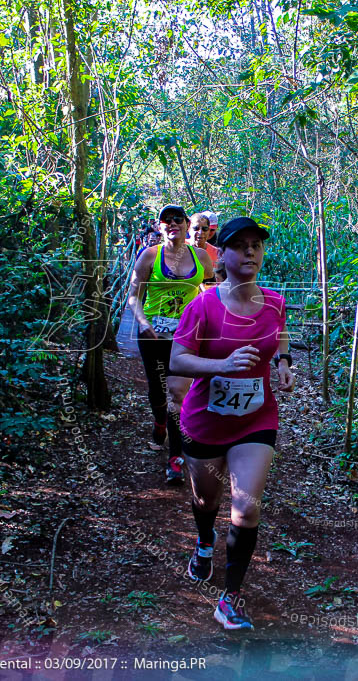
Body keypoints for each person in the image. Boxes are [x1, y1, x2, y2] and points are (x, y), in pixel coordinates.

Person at [169, 216, 294, 631]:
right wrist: (221, 364)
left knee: (245, 508)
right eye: (239, 246)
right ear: (221, 254)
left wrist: (284, 364)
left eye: (256, 245)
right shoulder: (202, 305)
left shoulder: (275, 303)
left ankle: (230, 596)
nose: (250, 253)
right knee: (207, 503)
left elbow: (280, 337)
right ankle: (205, 542)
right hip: (205, 422)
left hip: (256, 420)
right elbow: (178, 360)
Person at [126, 204, 214, 485]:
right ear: (159, 225)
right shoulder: (149, 256)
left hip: (185, 336)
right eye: (166, 220)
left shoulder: (201, 257)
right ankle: (159, 424)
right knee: (157, 390)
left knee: (178, 395)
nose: (172, 223)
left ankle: (175, 458)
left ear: (187, 224)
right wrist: (142, 322)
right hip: (153, 334)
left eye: (178, 219)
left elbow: (209, 291)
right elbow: (133, 295)